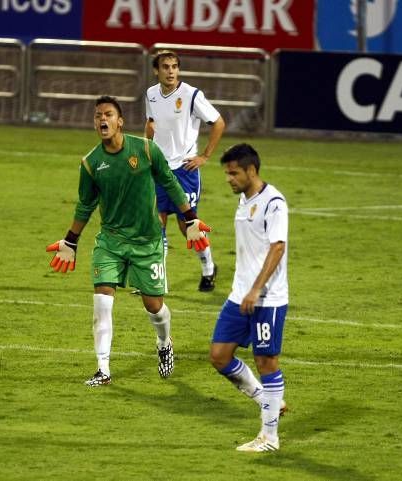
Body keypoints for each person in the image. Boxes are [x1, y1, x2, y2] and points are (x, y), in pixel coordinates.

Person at [46, 95, 211, 386]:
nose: (102, 120)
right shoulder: (90, 163)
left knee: (154, 306)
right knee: (102, 303)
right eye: (98, 115)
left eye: (108, 114)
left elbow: (171, 183)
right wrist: (71, 241)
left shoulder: (146, 150)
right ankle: (103, 369)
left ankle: (164, 343)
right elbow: (85, 205)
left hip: (147, 243)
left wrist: (190, 218)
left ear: (120, 120)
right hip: (110, 243)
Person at [209, 144, 289, 452]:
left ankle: (269, 437)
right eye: (227, 173)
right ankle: (268, 400)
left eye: (233, 173)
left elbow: (277, 247)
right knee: (219, 355)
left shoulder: (274, 203)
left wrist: (256, 289)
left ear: (251, 170)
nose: (228, 179)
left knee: (266, 360)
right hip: (239, 294)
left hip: (267, 298)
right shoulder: (245, 200)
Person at [145, 50, 226, 293]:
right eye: (166, 67)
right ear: (156, 71)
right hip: (159, 169)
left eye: (174, 66)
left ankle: (209, 268)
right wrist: (147, 142)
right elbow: (150, 123)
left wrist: (205, 156)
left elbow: (218, 122)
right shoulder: (150, 94)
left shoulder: (191, 95)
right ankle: (159, 280)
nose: (171, 71)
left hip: (185, 171)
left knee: (187, 226)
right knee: (156, 223)